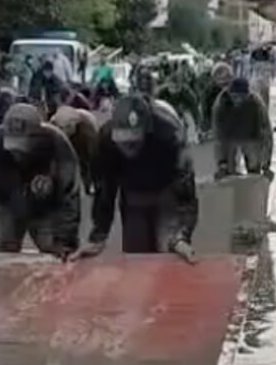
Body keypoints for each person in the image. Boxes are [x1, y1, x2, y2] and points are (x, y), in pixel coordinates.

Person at [74, 95, 197, 262]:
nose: (127, 148)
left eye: (133, 142)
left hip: (167, 191)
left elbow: (186, 192)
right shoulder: (105, 140)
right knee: (136, 256)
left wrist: (181, 234)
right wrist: (98, 237)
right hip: (133, 194)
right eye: (122, 141)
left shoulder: (169, 136)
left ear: (146, 132)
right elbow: (105, 189)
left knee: (170, 250)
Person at [0, 104, 80, 258]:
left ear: (38, 136)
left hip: (46, 210)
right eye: (12, 146)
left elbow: (69, 197)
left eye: (22, 146)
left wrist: (66, 241)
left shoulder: (58, 145)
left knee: (57, 258)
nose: (16, 153)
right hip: (5, 205)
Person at [212, 77, 273, 180]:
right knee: (227, 170)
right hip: (229, 134)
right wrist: (221, 163)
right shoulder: (220, 104)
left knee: (254, 167)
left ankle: (254, 179)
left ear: (248, 95)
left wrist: (266, 164)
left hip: (251, 134)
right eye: (235, 97)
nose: (238, 100)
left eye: (241, 97)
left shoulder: (257, 104)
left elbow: (266, 134)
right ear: (229, 94)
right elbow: (218, 136)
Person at [49, 104, 99, 195]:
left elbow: (92, 155)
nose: (63, 130)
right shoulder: (53, 123)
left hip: (83, 136)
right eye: (61, 127)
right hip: (67, 133)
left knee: (86, 161)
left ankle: (89, 185)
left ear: (74, 124)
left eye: (67, 127)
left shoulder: (87, 128)